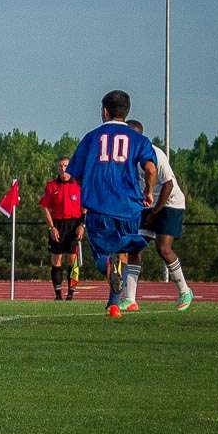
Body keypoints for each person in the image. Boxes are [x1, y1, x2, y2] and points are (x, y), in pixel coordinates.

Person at [64, 91, 157, 319]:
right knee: (122, 254)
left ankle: (108, 266)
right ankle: (113, 305)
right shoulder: (139, 139)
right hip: (129, 207)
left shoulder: (91, 137)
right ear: (126, 112)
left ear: (105, 111)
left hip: (99, 205)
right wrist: (148, 192)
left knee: (102, 257)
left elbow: (73, 175)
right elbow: (151, 169)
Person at [120, 120, 193, 312]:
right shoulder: (127, 158)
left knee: (163, 248)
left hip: (170, 203)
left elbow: (168, 185)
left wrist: (154, 212)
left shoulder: (156, 154)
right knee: (135, 248)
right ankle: (130, 299)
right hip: (147, 205)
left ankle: (185, 291)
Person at [38, 157, 84, 301]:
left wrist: (82, 225)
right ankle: (58, 295)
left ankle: (71, 293)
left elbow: (85, 208)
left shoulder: (78, 184)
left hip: (74, 225)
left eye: (66, 166)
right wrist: (52, 227)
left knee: (72, 260)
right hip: (57, 224)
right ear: (57, 168)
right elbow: (45, 207)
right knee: (56, 259)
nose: (63, 168)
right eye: (60, 166)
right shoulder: (51, 186)